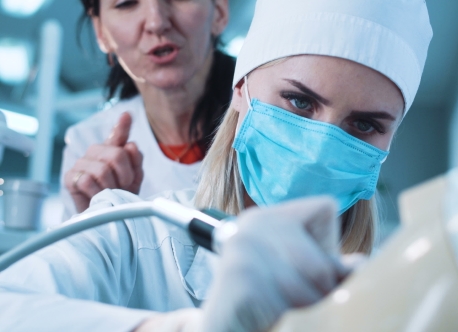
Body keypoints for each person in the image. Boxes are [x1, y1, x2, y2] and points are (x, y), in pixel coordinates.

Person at [0, 0, 432, 330]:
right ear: (241, 90)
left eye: (364, 125)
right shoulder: (132, 233)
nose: (321, 147)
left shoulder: (403, 297)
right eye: (299, 101)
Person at [60, 0, 235, 220]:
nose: (156, 22)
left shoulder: (273, 115)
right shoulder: (88, 146)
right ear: (101, 32)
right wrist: (97, 226)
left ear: (219, 10)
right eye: (126, 3)